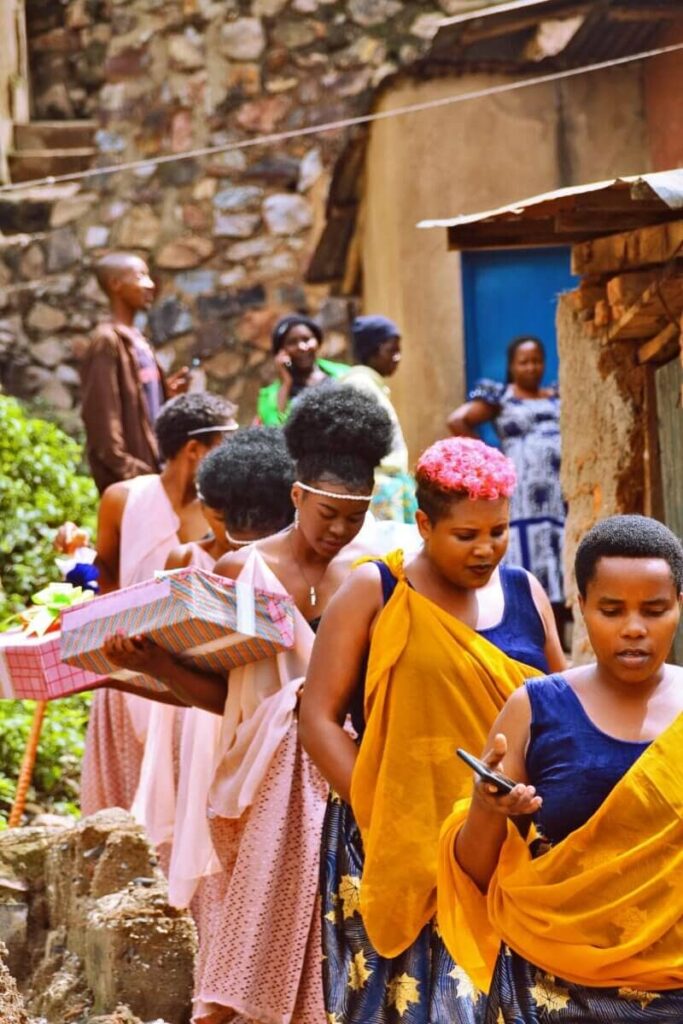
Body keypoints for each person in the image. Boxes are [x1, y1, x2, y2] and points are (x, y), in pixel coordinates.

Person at [103, 385, 396, 1024]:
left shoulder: (374, 573)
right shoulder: (242, 571)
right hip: (263, 775)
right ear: (297, 497)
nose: (340, 531)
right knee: (264, 923)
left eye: (355, 516)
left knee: (336, 942)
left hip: (350, 771)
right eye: (328, 515)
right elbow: (224, 693)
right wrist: (154, 664)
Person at [298, 436, 565, 1024]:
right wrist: (383, 811)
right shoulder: (376, 591)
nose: (486, 549)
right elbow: (317, 718)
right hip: (393, 839)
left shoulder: (526, 592)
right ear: (423, 523)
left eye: (497, 531)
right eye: (465, 535)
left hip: (507, 843)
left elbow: (561, 714)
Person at [441, 515, 683, 1022]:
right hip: (548, 989)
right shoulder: (533, 708)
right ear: (581, 608)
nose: (634, 628)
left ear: (678, 607)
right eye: (612, 610)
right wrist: (487, 806)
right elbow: (476, 876)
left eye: (654, 610)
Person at [79, 392, 238, 817]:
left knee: (183, 806)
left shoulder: (225, 512)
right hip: (127, 668)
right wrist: (74, 564)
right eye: (226, 445)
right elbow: (105, 578)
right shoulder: (122, 498)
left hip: (187, 679)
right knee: (121, 809)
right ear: (194, 449)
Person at [446, 336, 565, 613]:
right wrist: (492, 458)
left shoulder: (556, 395)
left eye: (536, 361)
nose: (531, 368)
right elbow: (457, 420)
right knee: (525, 549)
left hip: (556, 493)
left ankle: (557, 622)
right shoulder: (500, 396)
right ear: (512, 366)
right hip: (522, 493)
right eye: (524, 362)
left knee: (554, 547)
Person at [81, 252, 190, 494]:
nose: (151, 285)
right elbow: (103, 423)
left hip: (155, 473)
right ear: (115, 285)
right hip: (135, 485)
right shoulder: (107, 342)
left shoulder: (139, 340)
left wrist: (167, 394)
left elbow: (144, 407)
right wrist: (135, 473)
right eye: (140, 276)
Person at [342, 314, 417, 524]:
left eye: (399, 351)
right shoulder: (360, 385)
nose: (397, 357)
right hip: (380, 485)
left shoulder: (372, 385)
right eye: (391, 351)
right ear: (371, 351)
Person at [256, 313, 348, 426]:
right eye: (292, 342)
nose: (302, 347)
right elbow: (274, 429)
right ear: (281, 351)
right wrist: (286, 384)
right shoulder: (269, 396)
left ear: (317, 342)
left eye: (307, 339)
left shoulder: (345, 374)